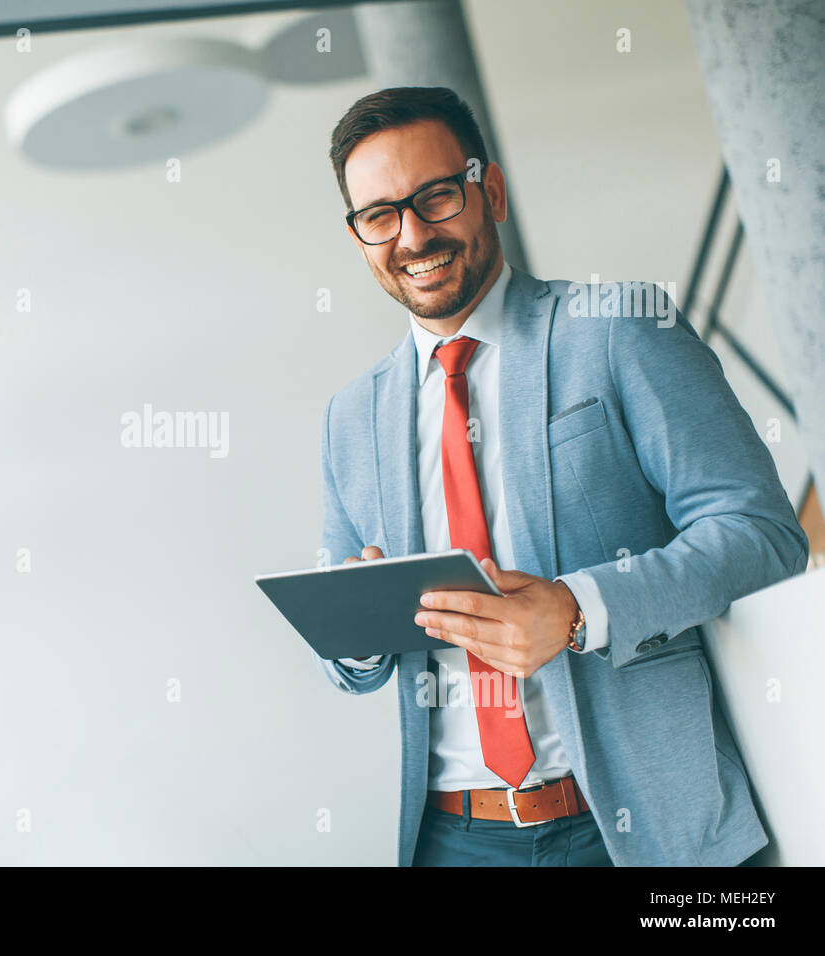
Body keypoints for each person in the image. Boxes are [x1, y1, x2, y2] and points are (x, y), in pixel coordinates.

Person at [313, 86, 808, 866]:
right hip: (452, 837)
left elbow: (761, 533)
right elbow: (348, 663)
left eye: (436, 196)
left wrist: (580, 608)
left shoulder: (619, 329)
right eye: (380, 215)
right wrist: (360, 633)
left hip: (642, 826)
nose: (412, 234)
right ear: (359, 236)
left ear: (491, 190)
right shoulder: (349, 418)